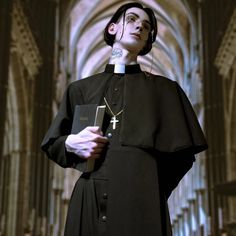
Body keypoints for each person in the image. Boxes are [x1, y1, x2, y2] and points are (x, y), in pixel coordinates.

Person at [41, 2, 208, 236]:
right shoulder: (80, 89)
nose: (139, 26)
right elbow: (52, 143)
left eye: (146, 26)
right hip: (88, 200)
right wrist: (71, 143)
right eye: (131, 19)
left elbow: (182, 158)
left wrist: (149, 187)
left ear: (148, 39)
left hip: (141, 204)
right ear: (112, 29)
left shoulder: (166, 91)